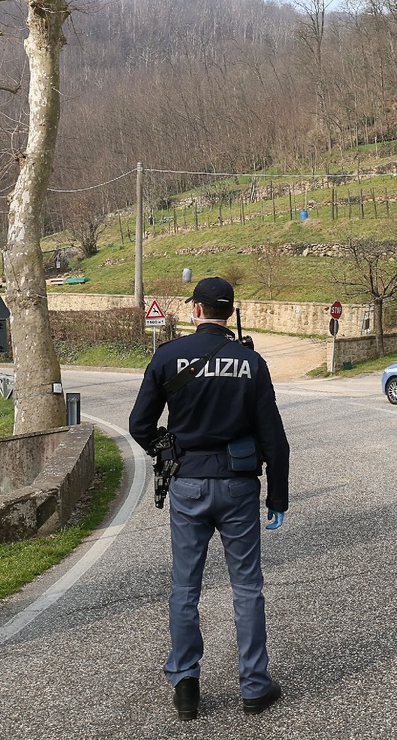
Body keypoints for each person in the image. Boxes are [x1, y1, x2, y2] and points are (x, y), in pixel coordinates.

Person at [128, 276, 290, 721]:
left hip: (187, 483)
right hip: (238, 485)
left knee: (185, 586)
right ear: (230, 313)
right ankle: (255, 686)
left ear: (196, 310)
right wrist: (278, 496)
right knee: (247, 587)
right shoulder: (251, 363)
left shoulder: (167, 357)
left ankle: (185, 685)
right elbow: (273, 438)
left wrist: (165, 446)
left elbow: (140, 424)